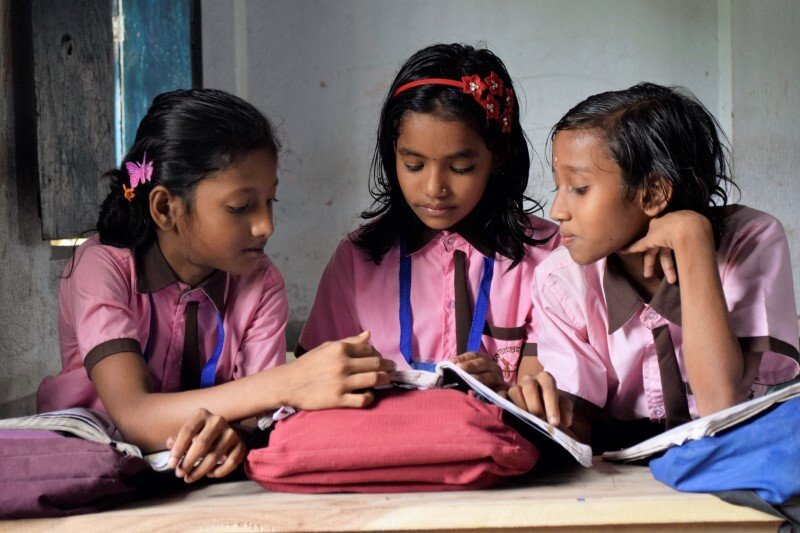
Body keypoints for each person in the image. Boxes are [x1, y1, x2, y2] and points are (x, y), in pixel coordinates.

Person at [37, 88, 395, 483]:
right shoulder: (102, 267)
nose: (266, 226)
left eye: (270, 201)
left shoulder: (261, 283)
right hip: (88, 473)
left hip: (194, 478)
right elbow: (134, 416)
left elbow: (257, 418)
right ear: (164, 208)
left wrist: (236, 435)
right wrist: (291, 382)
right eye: (240, 208)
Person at [510, 83, 799, 449]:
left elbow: (721, 406)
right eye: (558, 187)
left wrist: (693, 241)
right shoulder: (560, 279)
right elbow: (577, 427)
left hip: (735, 460)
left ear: (652, 194)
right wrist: (539, 407)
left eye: (579, 188)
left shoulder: (751, 241)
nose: (557, 212)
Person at [297, 43, 559, 393]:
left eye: (460, 167)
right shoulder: (357, 260)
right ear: (393, 156)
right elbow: (309, 386)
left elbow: (545, 407)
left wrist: (503, 392)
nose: (434, 188)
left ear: (498, 155)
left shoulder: (548, 258)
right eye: (414, 165)